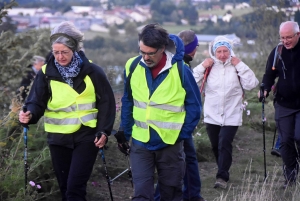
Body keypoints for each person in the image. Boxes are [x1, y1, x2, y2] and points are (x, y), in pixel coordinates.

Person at [19, 21, 116, 201]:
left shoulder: (93, 71)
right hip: (57, 138)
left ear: (75, 50)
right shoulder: (46, 72)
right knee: (65, 189)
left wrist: (104, 130)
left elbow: (107, 104)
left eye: (64, 52)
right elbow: (36, 101)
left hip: (86, 137)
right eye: (56, 52)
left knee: (74, 188)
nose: (60, 57)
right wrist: (29, 114)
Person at [118, 24, 202, 200]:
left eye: (151, 53)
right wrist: (124, 132)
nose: (146, 57)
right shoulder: (132, 66)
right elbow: (128, 100)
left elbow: (194, 106)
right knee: (141, 194)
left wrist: (182, 134)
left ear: (163, 49)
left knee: (170, 194)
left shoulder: (181, 70)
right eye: (142, 52)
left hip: (170, 144)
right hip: (140, 143)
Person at [193, 35, 259, 189]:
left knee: (224, 142)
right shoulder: (209, 67)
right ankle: (222, 168)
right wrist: (202, 65)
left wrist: (240, 65)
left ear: (230, 51)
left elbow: (252, 84)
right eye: (219, 51)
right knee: (216, 145)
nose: (222, 55)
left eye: (225, 51)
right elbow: (191, 80)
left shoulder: (236, 66)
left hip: (232, 113)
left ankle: (222, 176)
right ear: (214, 52)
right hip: (212, 114)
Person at [153, 30, 205, 201]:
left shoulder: (163, 62)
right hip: (176, 126)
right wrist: (185, 131)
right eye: (195, 46)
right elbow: (193, 103)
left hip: (164, 126)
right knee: (182, 163)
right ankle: (190, 196)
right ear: (192, 48)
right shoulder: (181, 66)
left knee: (171, 164)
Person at [260, 21, 300, 188]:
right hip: (283, 103)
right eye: (282, 37)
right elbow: (269, 74)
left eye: (289, 37)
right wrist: (264, 88)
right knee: (285, 142)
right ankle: (290, 178)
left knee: (299, 137)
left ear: (298, 34)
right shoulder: (278, 51)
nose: (285, 40)